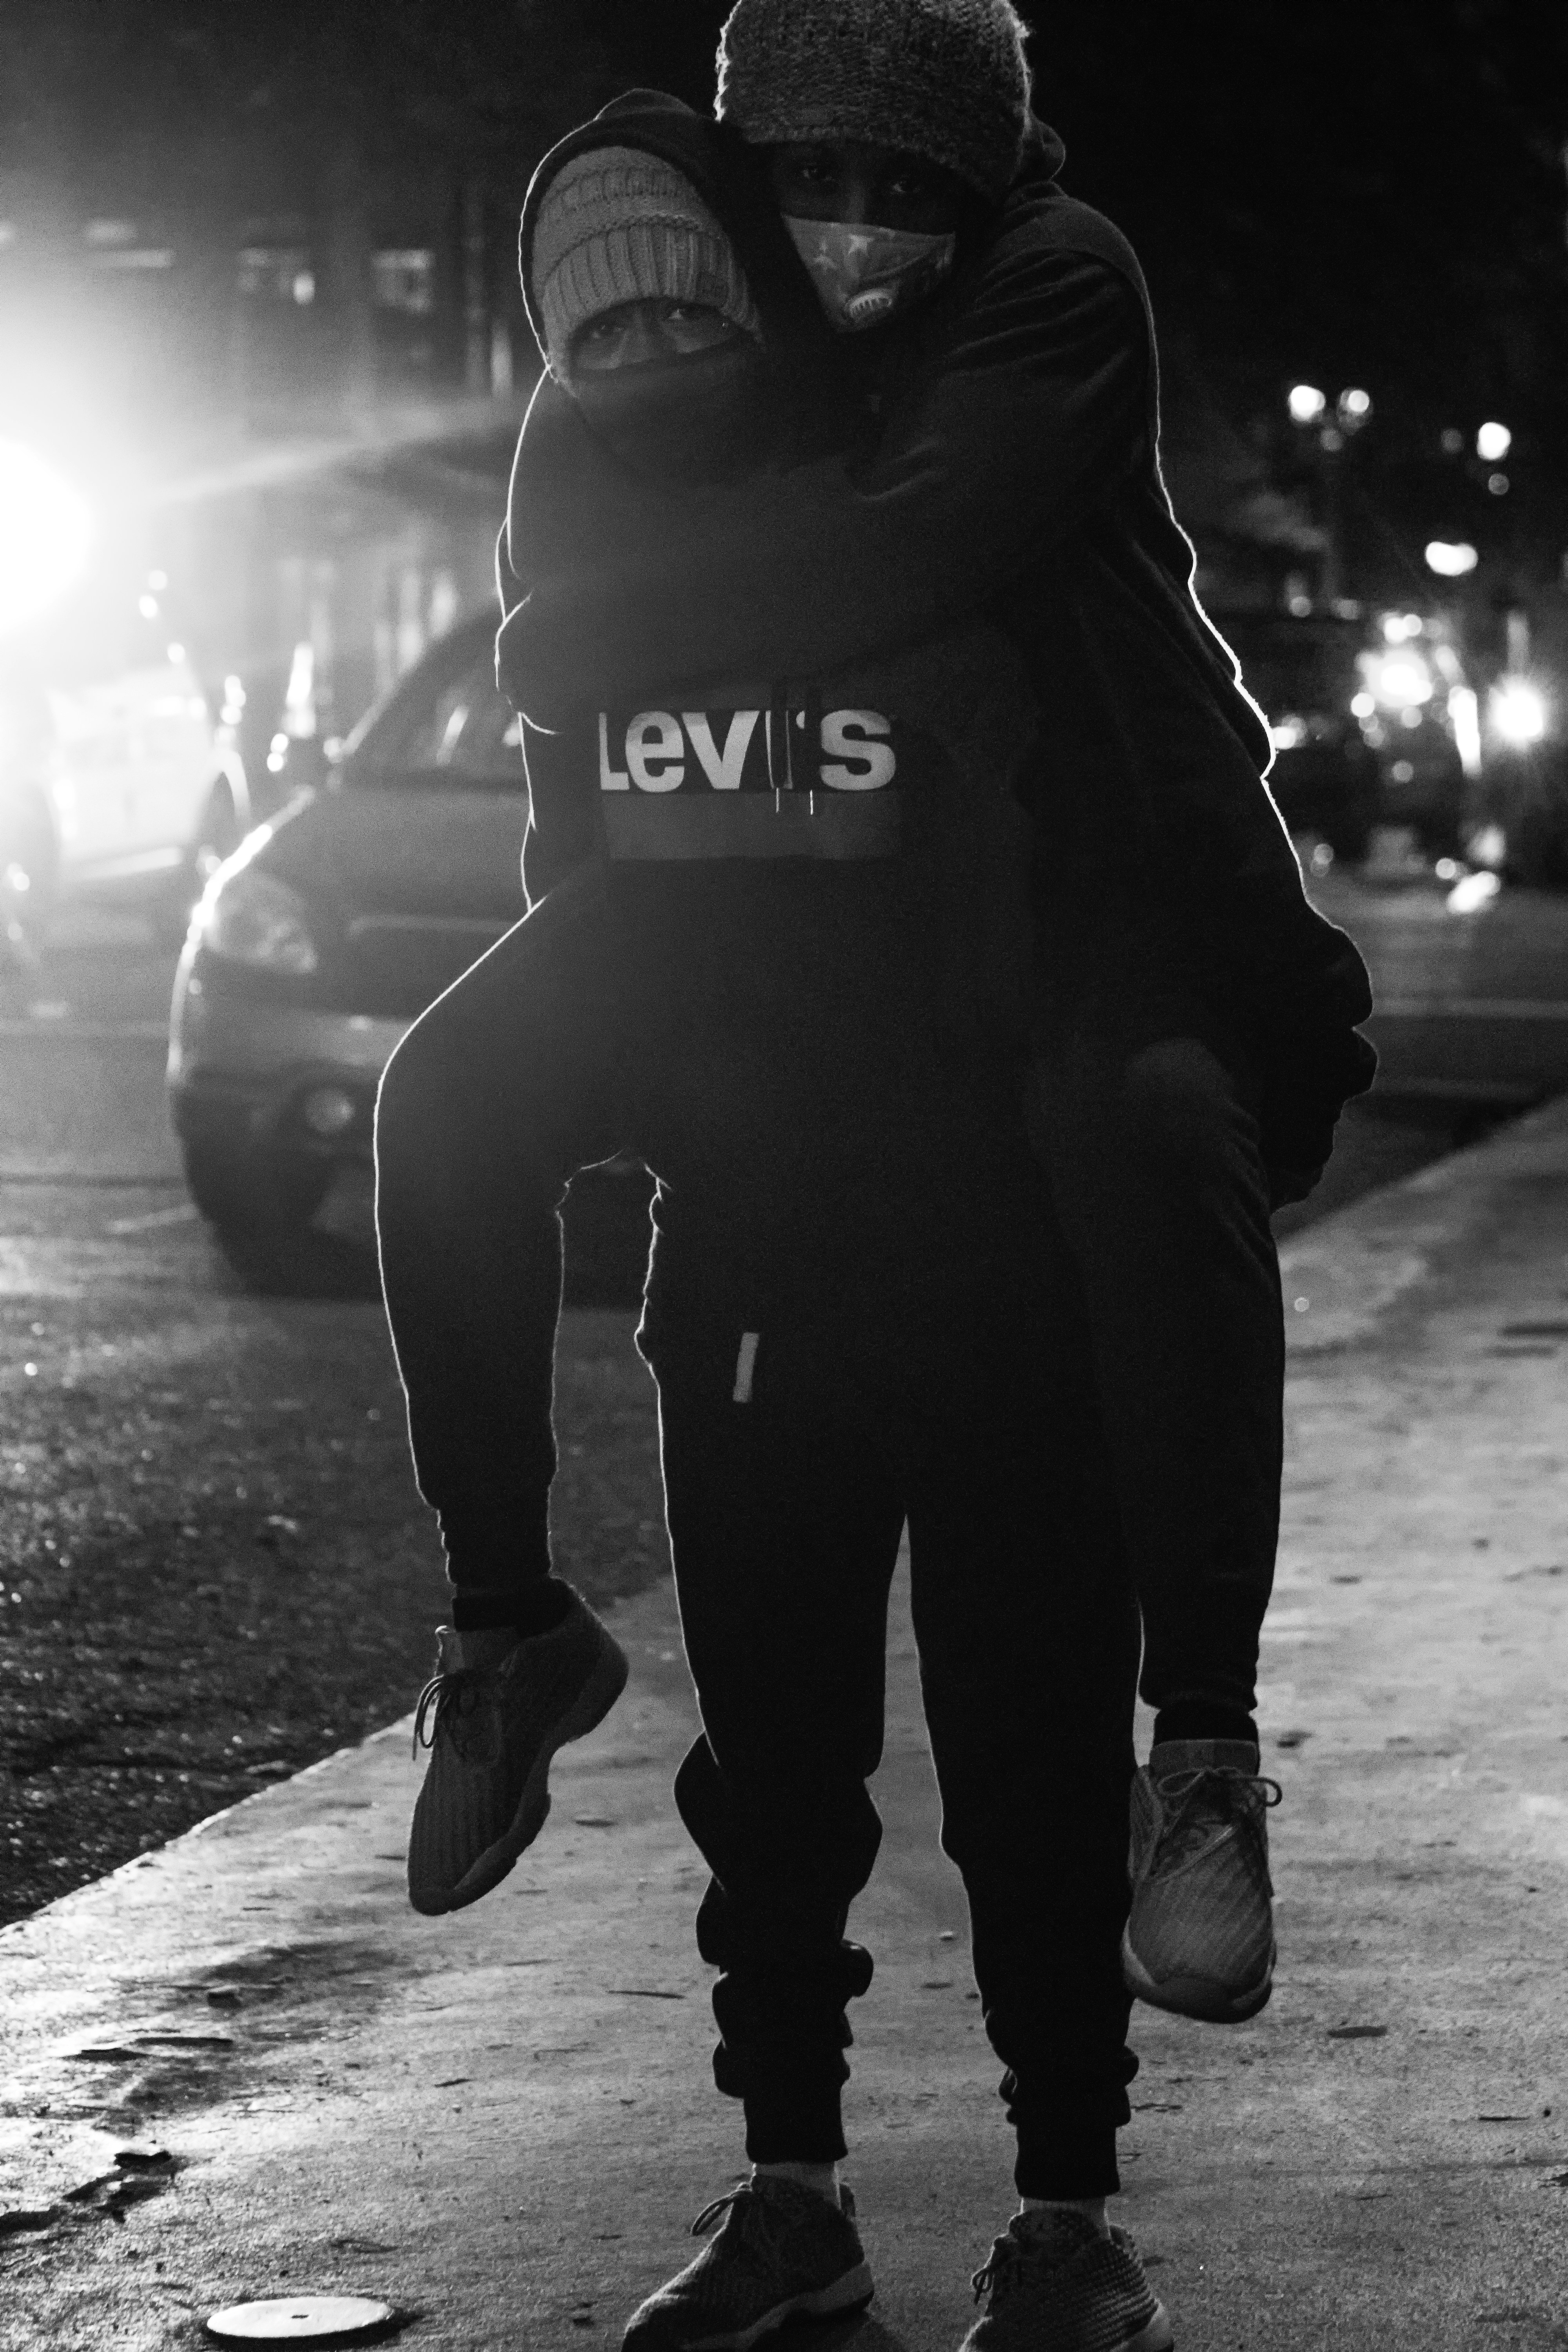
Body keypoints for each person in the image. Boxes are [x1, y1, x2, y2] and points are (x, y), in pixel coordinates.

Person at [379, 94, 1185, 2352]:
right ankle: (791, 2195)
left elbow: (1096, 754)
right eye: (592, 314)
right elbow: (578, 851)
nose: (646, 337)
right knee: (777, 1776)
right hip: (755, 1258)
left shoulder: (934, 443)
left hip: (1006, 1238)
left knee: (1034, 1756)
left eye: (680, 290)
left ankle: (1065, 2216)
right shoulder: (595, 476)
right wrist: (616, 1054)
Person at [498, 0, 1377, 2050]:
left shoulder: (1056, 283)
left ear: (985, 190)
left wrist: (581, 626)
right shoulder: (704, 322)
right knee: (470, 1134)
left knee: (1148, 1135)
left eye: (916, 192)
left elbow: (902, 551)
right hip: (852, 967)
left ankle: (1206, 1751)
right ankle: (499, 1627)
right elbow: (602, 667)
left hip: (1113, 896)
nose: (864, 229)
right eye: (816, 180)